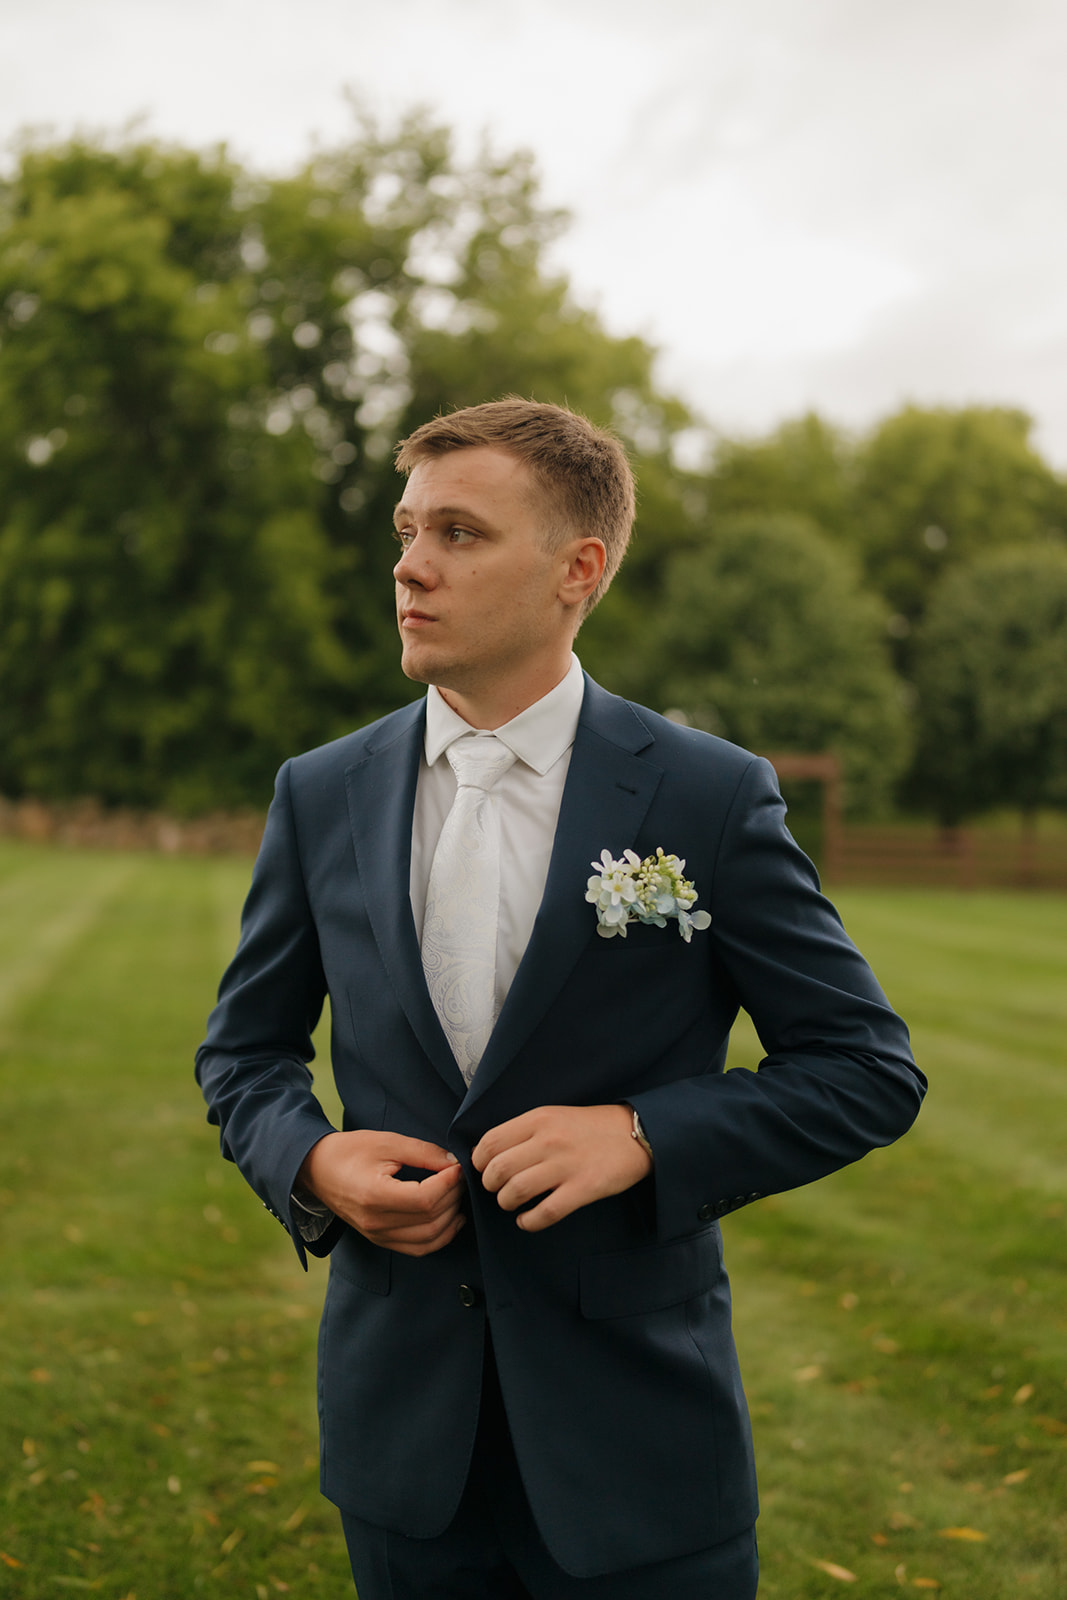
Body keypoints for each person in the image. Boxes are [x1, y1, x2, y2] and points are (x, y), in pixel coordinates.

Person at [196, 398, 924, 1599]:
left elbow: (863, 1067)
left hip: (638, 1441)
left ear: (574, 570)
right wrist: (313, 1166)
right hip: (401, 1444)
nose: (408, 565)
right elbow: (244, 1055)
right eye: (405, 529)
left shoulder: (703, 796)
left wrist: (644, 1133)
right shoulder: (320, 792)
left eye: (459, 534)